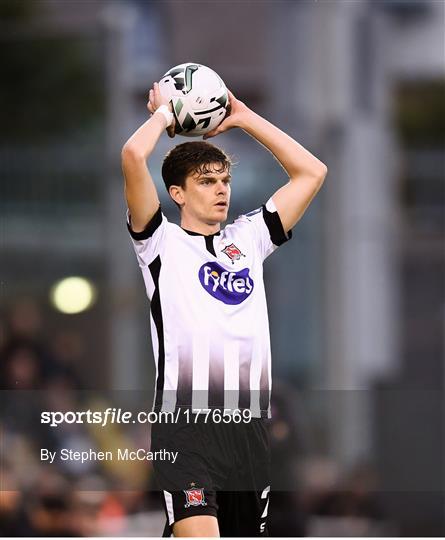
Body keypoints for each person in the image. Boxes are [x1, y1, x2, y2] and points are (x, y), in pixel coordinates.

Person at [121, 81, 327, 537]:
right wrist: (165, 113)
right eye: (207, 181)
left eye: (225, 180)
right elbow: (134, 157)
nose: (221, 190)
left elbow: (312, 172)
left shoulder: (248, 239)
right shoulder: (159, 243)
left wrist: (244, 117)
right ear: (176, 192)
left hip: (249, 432)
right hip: (186, 428)